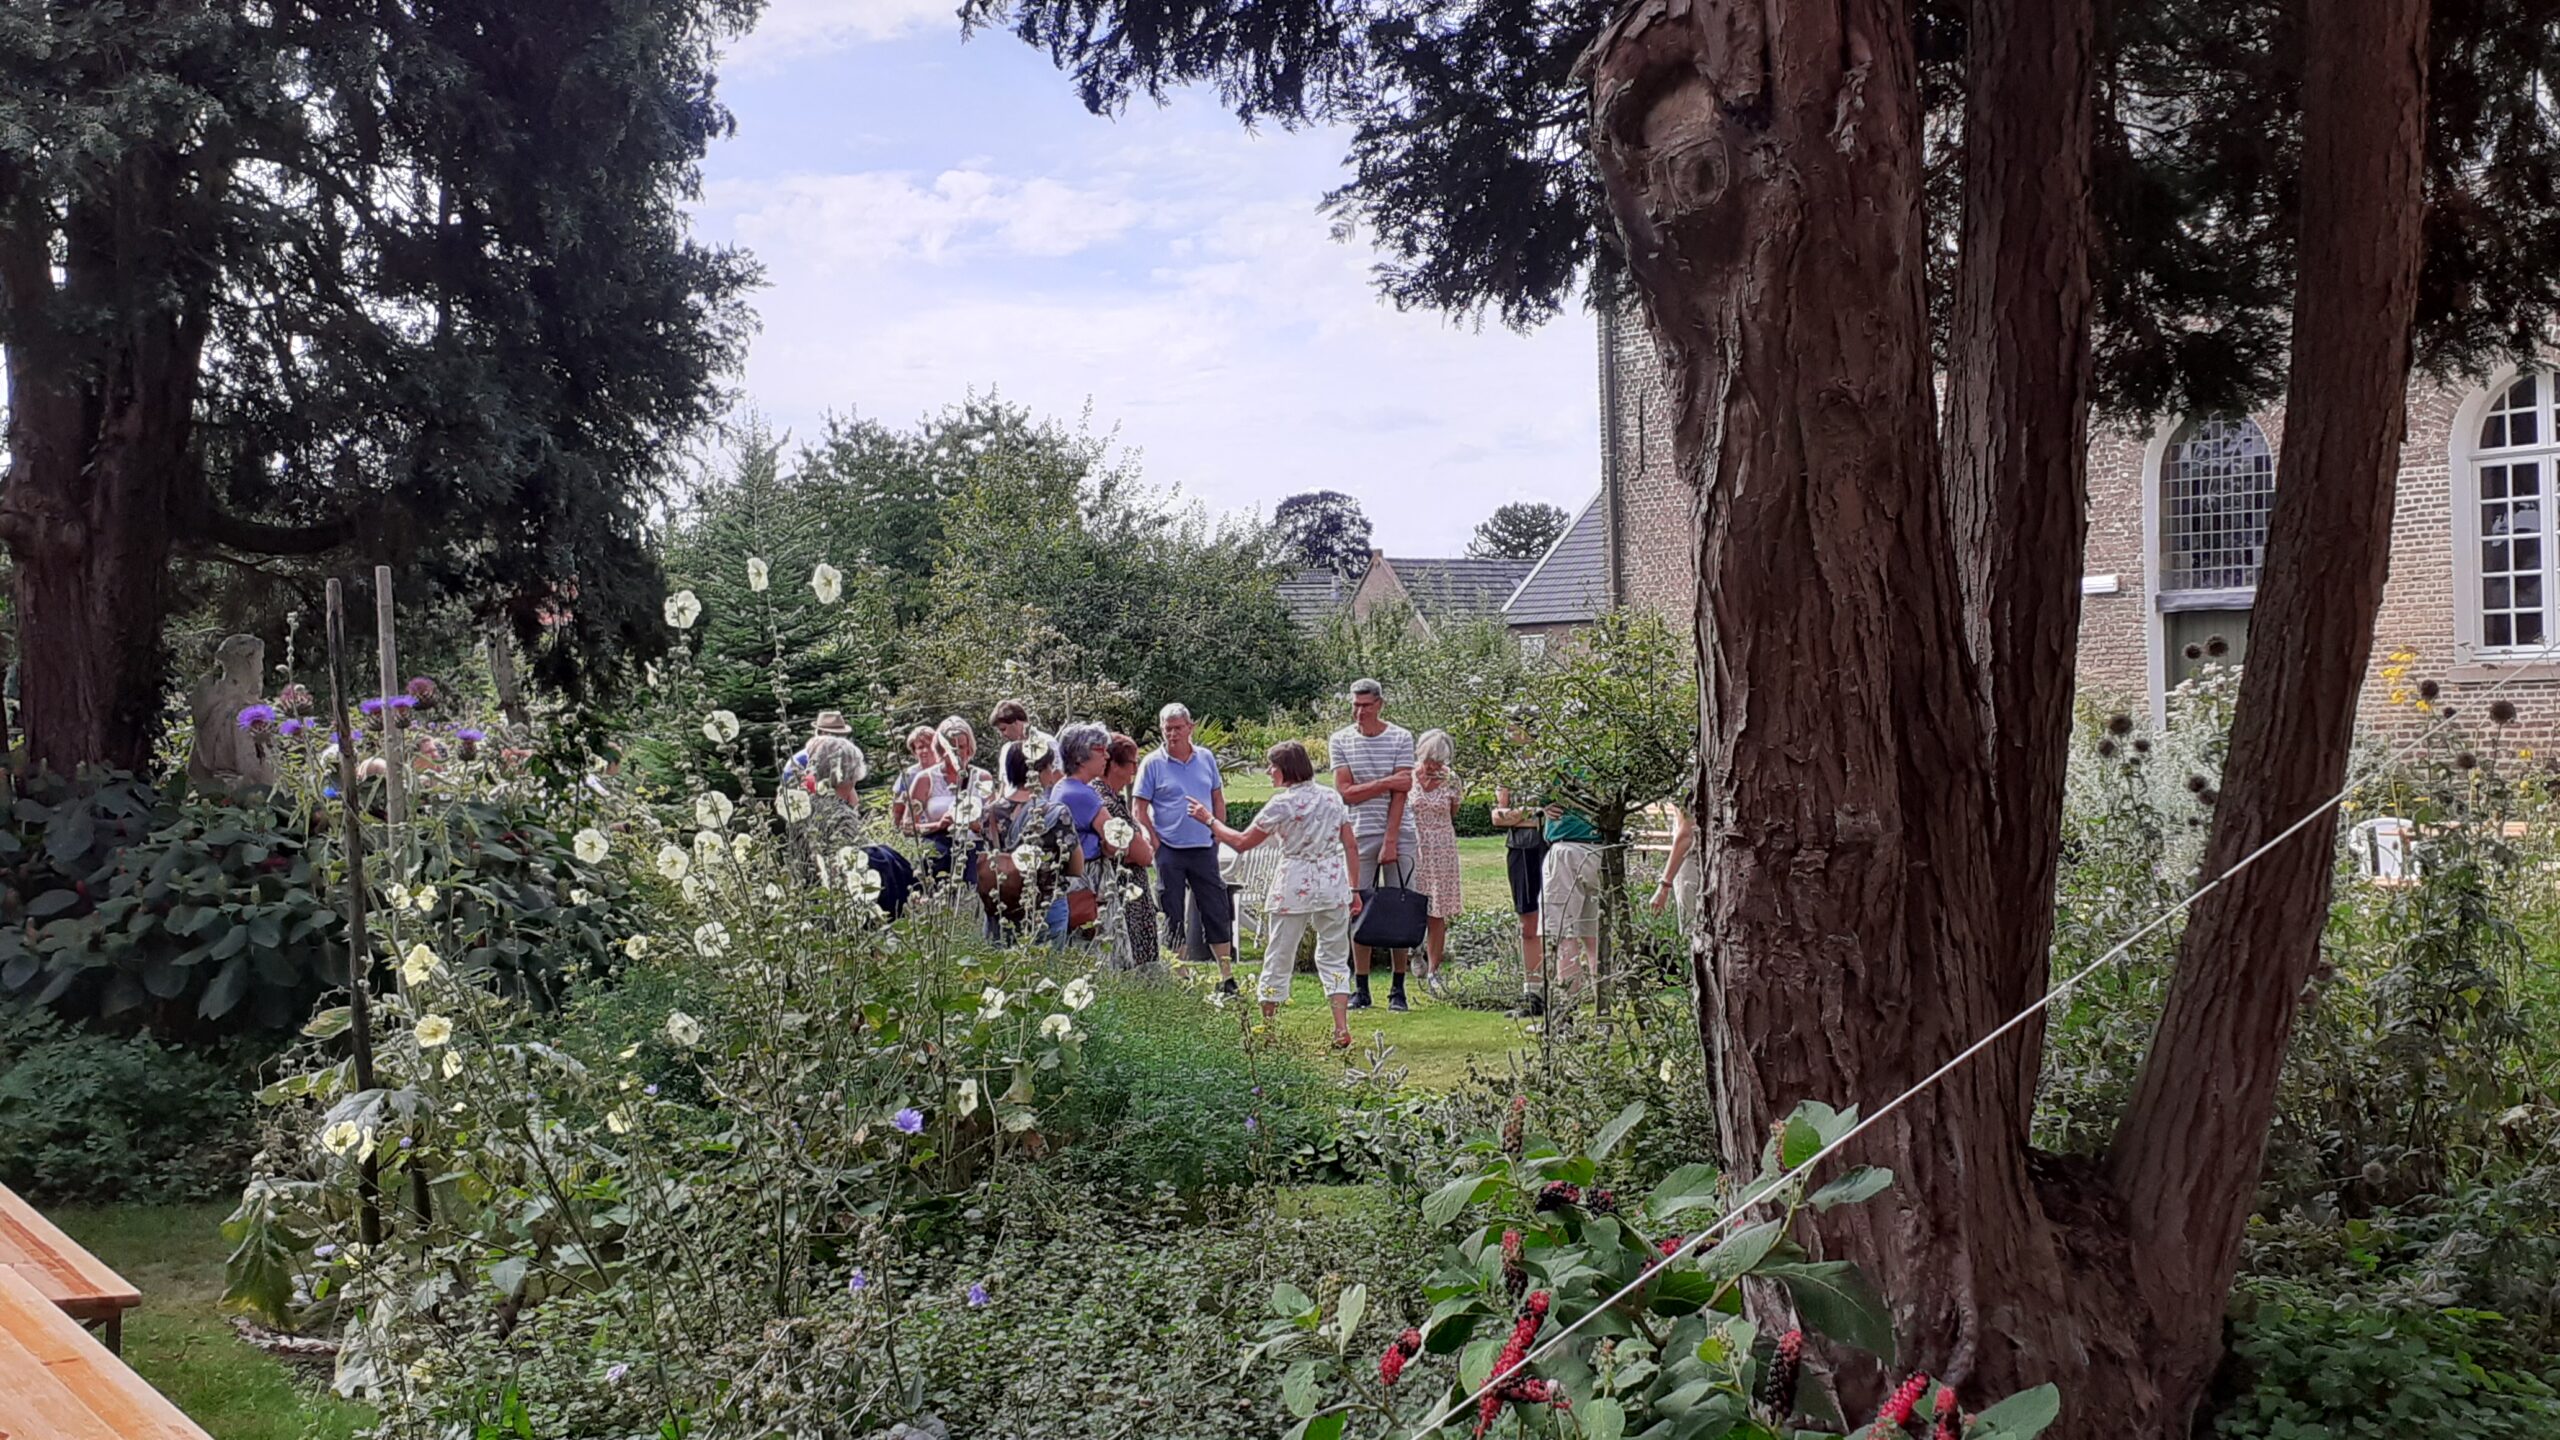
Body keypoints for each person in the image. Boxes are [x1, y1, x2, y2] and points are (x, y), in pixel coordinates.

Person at [1191, 742, 1361, 1048]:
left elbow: (1242, 842)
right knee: (1335, 957)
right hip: (1333, 884)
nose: (1269, 771)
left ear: (1286, 769)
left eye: (1272, 766)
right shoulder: (1332, 797)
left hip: (1294, 884)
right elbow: (1350, 844)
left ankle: (1268, 1029)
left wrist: (1209, 820)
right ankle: (1340, 1027)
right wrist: (1354, 887)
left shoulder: (1282, 804)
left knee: (1280, 956)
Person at [1133, 703, 1238, 992]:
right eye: (1168, 728)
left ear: (1190, 728)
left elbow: (1217, 796)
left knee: (1215, 909)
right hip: (1169, 849)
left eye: (1178, 727)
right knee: (1172, 911)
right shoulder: (1152, 763)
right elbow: (1139, 807)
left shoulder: (1205, 758)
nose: (1173, 734)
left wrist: (1216, 832)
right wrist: (1154, 842)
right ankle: (1180, 978)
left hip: (1203, 847)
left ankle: (1227, 977)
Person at [1328, 677, 1418, 1010]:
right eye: (1355, 705)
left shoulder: (1400, 736)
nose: (1359, 711)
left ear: (1379, 704)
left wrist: (1391, 839)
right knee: (1359, 907)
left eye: (1366, 705)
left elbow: (1403, 789)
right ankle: (1361, 986)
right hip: (1357, 832)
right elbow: (1345, 792)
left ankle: (1398, 987)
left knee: (1401, 906)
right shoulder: (1340, 740)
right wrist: (1386, 781)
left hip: (1399, 830)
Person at [977, 741, 1083, 943]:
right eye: (1050, 766)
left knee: (1004, 970)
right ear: (1038, 771)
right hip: (1045, 905)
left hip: (1002, 903)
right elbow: (1076, 868)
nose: (1052, 773)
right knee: (1046, 971)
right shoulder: (1057, 813)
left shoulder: (988, 813)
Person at [1537, 773, 1605, 1012]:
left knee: (1564, 937)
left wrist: (1544, 806)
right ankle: (1603, 1015)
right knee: (1596, 939)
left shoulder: (1559, 762)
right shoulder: (1605, 760)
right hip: (1602, 851)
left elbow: (1539, 794)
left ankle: (1567, 1014)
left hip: (1566, 851)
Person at [1099, 733, 1164, 972]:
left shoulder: (1110, 798)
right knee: (1136, 962)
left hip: (1129, 888)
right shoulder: (1108, 803)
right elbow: (1144, 855)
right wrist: (1142, 841)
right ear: (1113, 765)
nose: (1135, 770)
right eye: (1132, 763)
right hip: (1126, 891)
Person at [1408, 728, 1465, 994]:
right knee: (1411, 902)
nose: (1433, 767)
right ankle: (1413, 951)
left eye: (1439, 762)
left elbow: (1452, 812)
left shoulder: (1452, 780)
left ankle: (1433, 969)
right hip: (1414, 844)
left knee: (1437, 909)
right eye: (1430, 760)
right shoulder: (1409, 776)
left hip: (1442, 846)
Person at [892, 724, 960, 881]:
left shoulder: (948, 771)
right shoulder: (908, 776)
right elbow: (898, 812)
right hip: (923, 835)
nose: (924, 751)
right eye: (919, 747)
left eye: (928, 746)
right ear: (914, 751)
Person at [1648, 799, 1702, 935]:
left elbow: (1686, 835)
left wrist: (1664, 886)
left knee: (1693, 935)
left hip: (1691, 864)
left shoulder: (1687, 784)